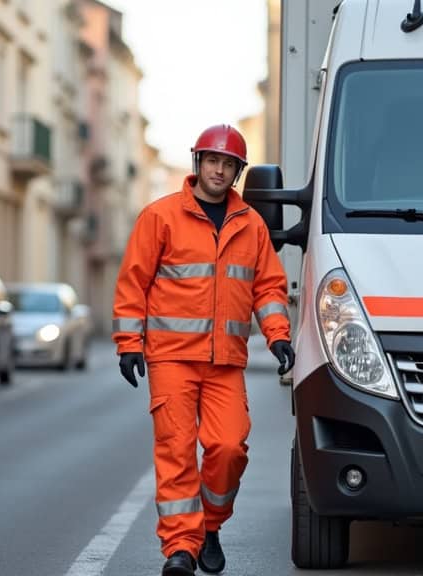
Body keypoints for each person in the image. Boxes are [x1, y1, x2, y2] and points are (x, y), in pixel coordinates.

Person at [112, 124, 295, 575]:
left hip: (225, 362)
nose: (219, 169)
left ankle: (211, 526)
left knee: (229, 448)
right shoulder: (161, 216)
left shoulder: (250, 224)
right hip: (171, 357)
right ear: (198, 164)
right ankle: (180, 548)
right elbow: (133, 281)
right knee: (176, 451)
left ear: (236, 173)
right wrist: (128, 343)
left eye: (228, 164)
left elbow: (268, 287)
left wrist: (278, 336)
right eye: (212, 160)